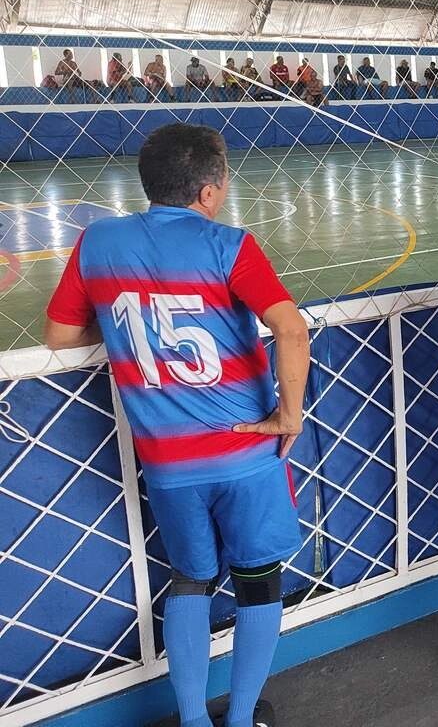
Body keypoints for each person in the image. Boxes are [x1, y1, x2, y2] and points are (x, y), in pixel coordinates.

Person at [43, 123, 310, 727]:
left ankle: (191, 719)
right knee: (258, 583)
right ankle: (239, 718)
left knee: (191, 577)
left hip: (166, 461)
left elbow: (58, 335)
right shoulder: (230, 245)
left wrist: (120, 335)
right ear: (210, 191)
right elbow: (291, 329)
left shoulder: (96, 243)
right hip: (245, 453)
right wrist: (287, 413)